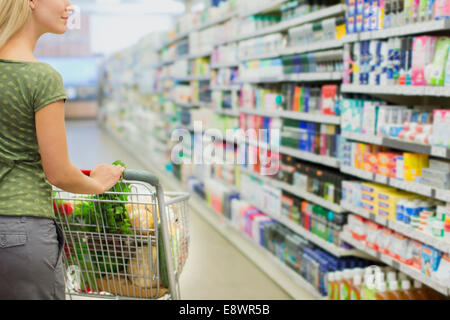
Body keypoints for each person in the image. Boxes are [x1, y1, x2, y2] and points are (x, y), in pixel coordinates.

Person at [0, 0, 125, 300]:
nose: (70, 6)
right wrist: (97, 182)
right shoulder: (41, 77)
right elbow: (58, 172)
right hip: (22, 228)